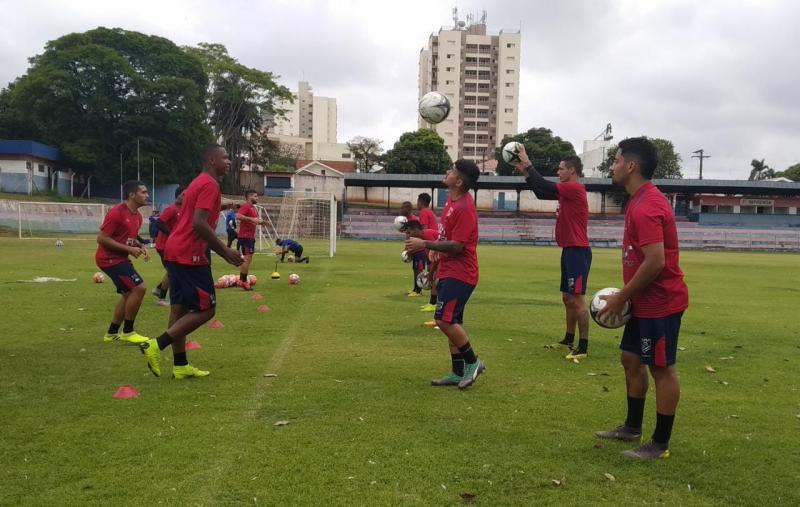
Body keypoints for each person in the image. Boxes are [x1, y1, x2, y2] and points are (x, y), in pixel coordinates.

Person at [595, 137, 689, 460]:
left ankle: (659, 443)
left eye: (616, 160)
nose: (613, 166)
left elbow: (655, 262)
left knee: (662, 369)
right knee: (630, 359)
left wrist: (621, 297)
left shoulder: (648, 205)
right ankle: (632, 427)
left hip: (660, 302)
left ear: (631, 166)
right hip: (643, 301)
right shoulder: (637, 199)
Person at [139, 145, 244, 379]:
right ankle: (156, 344)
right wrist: (226, 251)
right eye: (225, 157)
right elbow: (198, 223)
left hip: (175, 249)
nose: (229, 161)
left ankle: (180, 365)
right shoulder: (209, 184)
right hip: (190, 253)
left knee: (179, 308)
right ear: (211, 159)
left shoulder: (198, 183)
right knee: (207, 309)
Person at [405, 160, 484, 389]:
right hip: (450, 270)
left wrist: (424, 244)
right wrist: (434, 270)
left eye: (452, 171)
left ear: (458, 181)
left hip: (462, 273)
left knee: (444, 320)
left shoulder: (464, 208)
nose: (447, 172)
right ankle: (457, 372)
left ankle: (473, 361)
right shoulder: (451, 200)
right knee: (453, 321)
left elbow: (458, 246)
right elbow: (445, 239)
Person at [515, 147, 592, 359]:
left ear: (572, 171)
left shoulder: (575, 188)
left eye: (561, 169)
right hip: (569, 249)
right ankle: (569, 338)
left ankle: (583, 346)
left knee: (577, 299)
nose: (558, 172)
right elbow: (541, 192)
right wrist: (525, 172)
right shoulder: (567, 191)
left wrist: (528, 162)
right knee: (568, 298)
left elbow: (543, 184)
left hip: (578, 250)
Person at [95, 180, 151, 345]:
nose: (147, 195)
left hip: (119, 258)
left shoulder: (138, 216)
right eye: (143, 192)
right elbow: (102, 238)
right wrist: (129, 250)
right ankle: (128, 331)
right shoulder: (117, 212)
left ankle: (112, 333)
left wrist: (140, 246)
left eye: (147, 192)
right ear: (131, 195)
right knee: (139, 288)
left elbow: (128, 239)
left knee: (128, 295)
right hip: (108, 259)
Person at [402, 219, 440, 320]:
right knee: (434, 278)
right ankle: (432, 303)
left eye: (409, 232)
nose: (409, 235)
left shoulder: (427, 235)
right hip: (437, 259)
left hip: (445, 259)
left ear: (415, 230)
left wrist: (431, 273)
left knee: (437, 279)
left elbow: (437, 253)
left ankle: (435, 305)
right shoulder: (422, 238)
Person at [151, 188, 183, 306]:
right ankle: (161, 298)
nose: (186, 196)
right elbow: (159, 222)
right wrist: (171, 234)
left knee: (174, 271)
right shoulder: (172, 208)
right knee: (172, 271)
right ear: (178, 196)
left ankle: (159, 289)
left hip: (173, 245)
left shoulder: (183, 209)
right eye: (183, 194)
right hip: (164, 246)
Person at [236, 190, 265, 290]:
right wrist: (252, 219)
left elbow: (254, 221)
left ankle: (242, 280)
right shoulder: (246, 206)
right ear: (249, 197)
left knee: (248, 260)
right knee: (246, 260)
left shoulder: (253, 208)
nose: (257, 198)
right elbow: (238, 216)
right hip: (245, 237)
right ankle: (242, 281)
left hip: (250, 238)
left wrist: (261, 222)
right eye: (255, 196)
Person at [416, 192, 439, 311]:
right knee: (433, 275)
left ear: (421, 202)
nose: (416, 203)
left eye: (417, 200)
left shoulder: (424, 212)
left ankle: (434, 304)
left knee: (434, 275)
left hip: (432, 247)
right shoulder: (429, 212)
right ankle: (432, 302)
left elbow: (424, 231)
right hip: (433, 245)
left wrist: (419, 244)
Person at [401, 201, 426, 297]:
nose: (401, 210)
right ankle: (415, 288)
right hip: (414, 248)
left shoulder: (413, 220)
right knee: (415, 269)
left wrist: (408, 248)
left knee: (419, 269)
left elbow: (415, 235)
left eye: (403, 208)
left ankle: (419, 290)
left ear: (408, 209)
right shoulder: (406, 219)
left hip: (419, 249)